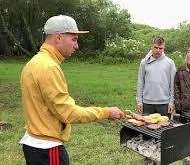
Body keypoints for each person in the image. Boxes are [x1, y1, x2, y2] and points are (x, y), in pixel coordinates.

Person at [19, 15, 125, 165]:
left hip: (34, 143)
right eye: (74, 39)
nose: (76, 46)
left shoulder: (35, 62)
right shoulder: (49, 67)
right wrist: (106, 112)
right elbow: (68, 113)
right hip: (47, 149)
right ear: (58, 38)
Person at [136, 36, 176, 117]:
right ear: (151, 46)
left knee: (164, 129)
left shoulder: (170, 63)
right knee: (147, 128)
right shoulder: (144, 62)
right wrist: (139, 101)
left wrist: (172, 102)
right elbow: (140, 82)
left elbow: (173, 84)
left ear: (164, 48)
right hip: (147, 103)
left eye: (160, 48)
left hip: (164, 104)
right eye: (156, 47)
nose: (158, 50)